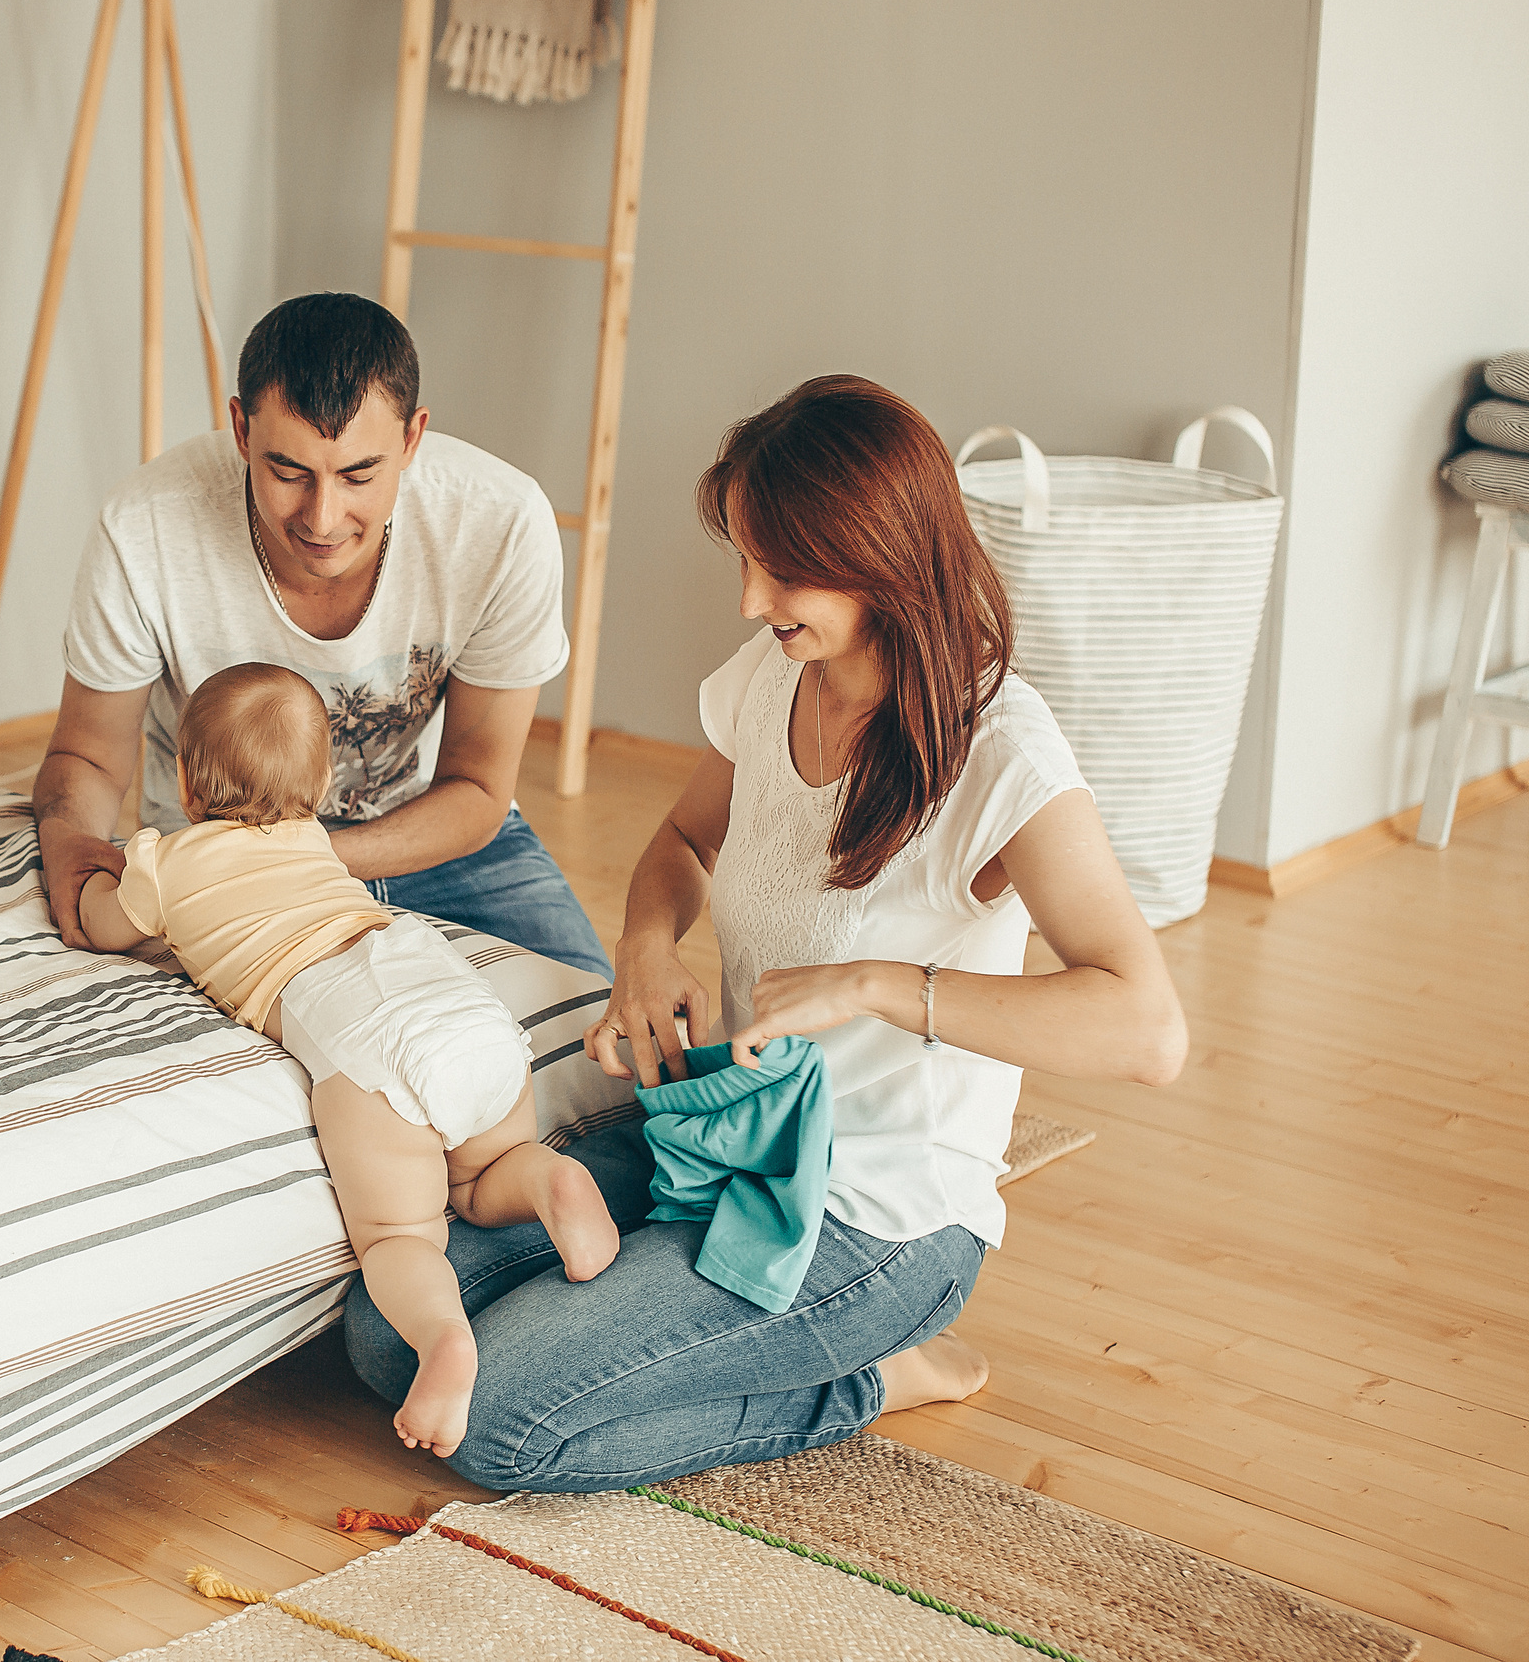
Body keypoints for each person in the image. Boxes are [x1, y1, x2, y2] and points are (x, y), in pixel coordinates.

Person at [342, 375, 1189, 1486]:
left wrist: (877, 984)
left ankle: (871, 1376)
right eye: (745, 561)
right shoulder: (776, 676)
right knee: (385, 1332)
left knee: (498, 1419)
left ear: (880, 556)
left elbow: (1146, 1029)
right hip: (726, 1142)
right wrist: (647, 952)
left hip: (877, 1221)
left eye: (781, 571)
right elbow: (681, 843)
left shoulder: (1000, 755)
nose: (750, 600)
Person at [76, 663, 620, 1456]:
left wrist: (111, 873)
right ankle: (551, 1180)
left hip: (364, 1036)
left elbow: (100, 926)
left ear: (185, 780)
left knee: (401, 1237)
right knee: (484, 1175)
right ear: (324, 783)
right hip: (453, 996)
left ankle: (443, 1339)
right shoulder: (318, 843)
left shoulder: (168, 860)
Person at [38, 292, 611, 980]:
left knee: (596, 1021)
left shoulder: (501, 524)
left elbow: (478, 789)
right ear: (241, 430)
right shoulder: (143, 527)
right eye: (288, 472)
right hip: (212, 857)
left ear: (412, 439)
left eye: (359, 474)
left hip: (436, 838)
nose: (322, 517)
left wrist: (297, 861)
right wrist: (69, 838)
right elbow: (90, 757)